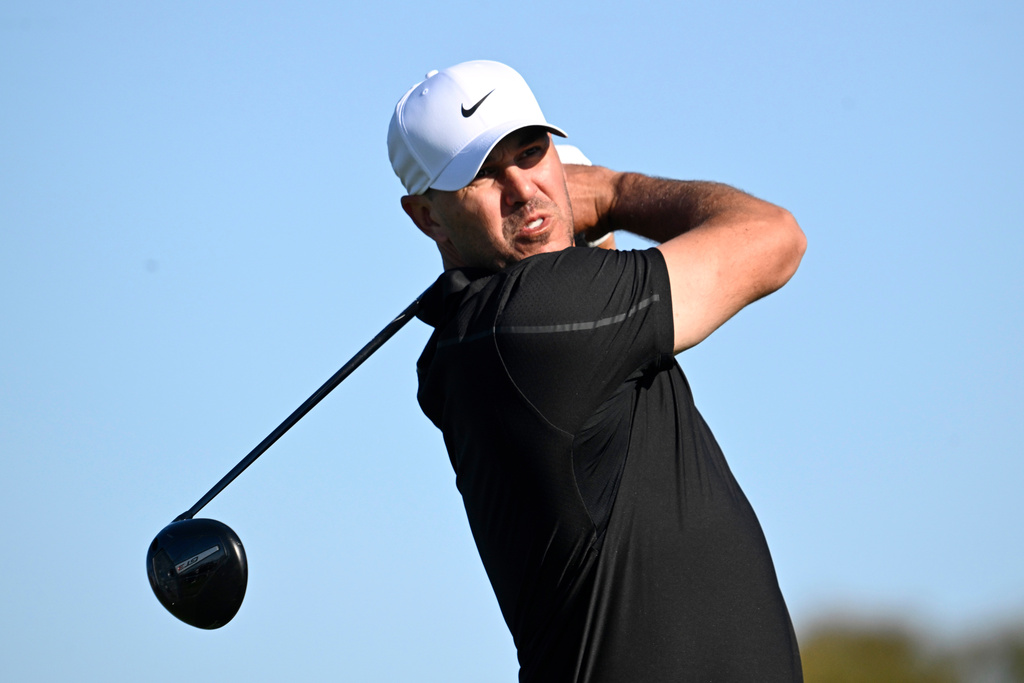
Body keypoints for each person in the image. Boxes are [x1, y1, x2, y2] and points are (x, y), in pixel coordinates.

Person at [388, 60, 807, 682]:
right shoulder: (534, 319)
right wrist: (613, 191)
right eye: (482, 175)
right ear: (426, 216)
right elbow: (775, 237)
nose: (525, 190)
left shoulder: (483, 334)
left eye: (532, 154)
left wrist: (583, 236)